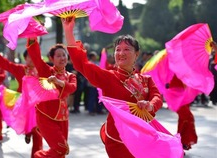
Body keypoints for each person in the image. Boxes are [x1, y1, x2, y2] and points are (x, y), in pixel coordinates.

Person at [62, 17, 163, 158]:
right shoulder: (109, 77)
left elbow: (157, 97)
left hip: (143, 135)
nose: (121, 53)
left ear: (137, 54)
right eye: (118, 50)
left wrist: (150, 105)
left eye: (127, 49)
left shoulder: (146, 79)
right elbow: (81, 64)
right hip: (118, 138)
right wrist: (68, 31)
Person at [26, 38, 77, 157]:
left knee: (60, 153)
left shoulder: (70, 76)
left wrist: (58, 81)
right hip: (46, 116)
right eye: (58, 56)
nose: (62, 58)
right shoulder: (46, 71)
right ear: (51, 58)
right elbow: (36, 57)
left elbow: (72, 88)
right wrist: (34, 37)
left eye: (64, 55)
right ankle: (38, 156)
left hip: (63, 117)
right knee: (61, 148)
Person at [0, 46, 42, 157]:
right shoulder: (21, 69)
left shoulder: (42, 71)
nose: (32, 59)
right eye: (29, 57)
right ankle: (28, 133)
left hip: (38, 106)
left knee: (38, 134)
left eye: (35, 56)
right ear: (25, 58)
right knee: (29, 127)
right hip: (24, 105)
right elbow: (8, 66)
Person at [166, 75, 198, 150]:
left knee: (183, 119)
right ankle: (181, 141)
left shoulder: (186, 70)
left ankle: (182, 142)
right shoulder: (176, 70)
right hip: (177, 99)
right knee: (188, 117)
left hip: (185, 98)